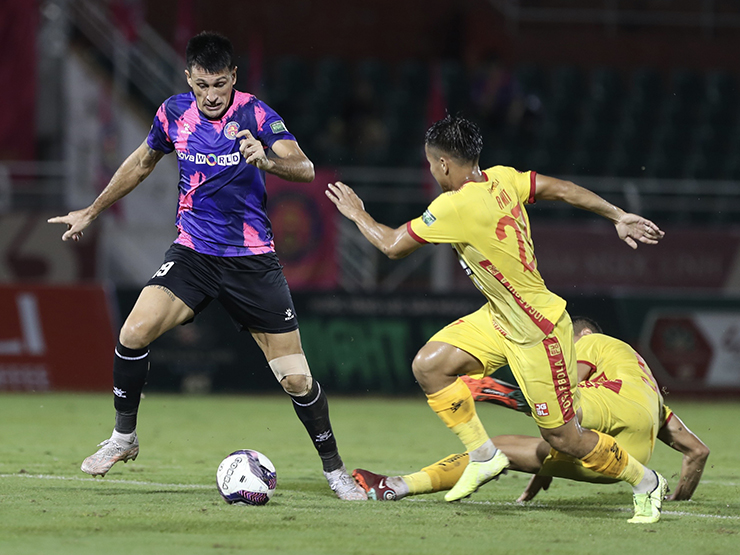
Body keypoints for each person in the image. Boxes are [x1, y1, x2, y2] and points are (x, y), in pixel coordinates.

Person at [48, 32, 366, 500]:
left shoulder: (255, 114)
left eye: (220, 83)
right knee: (133, 333)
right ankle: (123, 437)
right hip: (193, 255)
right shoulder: (173, 113)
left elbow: (304, 167)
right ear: (189, 79)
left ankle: (335, 470)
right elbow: (140, 162)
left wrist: (268, 161)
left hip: (252, 263)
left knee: (297, 379)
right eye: (202, 85)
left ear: (233, 77)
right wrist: (91, 212)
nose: (212, 95)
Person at [326, 114, 668, 522]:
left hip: (537, 330)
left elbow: (391, 245)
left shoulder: (453, 205)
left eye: (431, 163)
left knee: (564, 437)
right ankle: (484, 454)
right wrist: (617, 215)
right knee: (430, 365)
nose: (432, 170)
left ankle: (646, 480)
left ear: (443, 165)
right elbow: (562, 189)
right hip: (500, 317)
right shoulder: (502, 178)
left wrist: (357, 213)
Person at [352, 318, 710, 505]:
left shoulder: (593, 341)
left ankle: (502, 391)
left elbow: (567, 392)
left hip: (602, 414)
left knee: (557, 400)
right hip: (621, 459)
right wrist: (679, 501)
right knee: (497, 449)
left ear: (580, 334)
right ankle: (395, 486)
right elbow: (697, 452)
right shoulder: (645, 384)